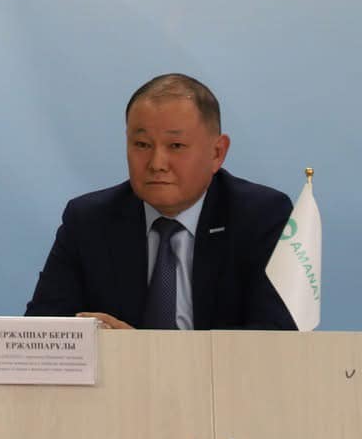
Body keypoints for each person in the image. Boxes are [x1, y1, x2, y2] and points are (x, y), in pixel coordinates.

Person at [24, 73, 295, 329]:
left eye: (175, 146)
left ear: (217, 153)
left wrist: (139, 350)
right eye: (142, 145)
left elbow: (275, 337)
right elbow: (43, 331)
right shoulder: (89, 221)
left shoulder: (262, 217)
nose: (157, 164)